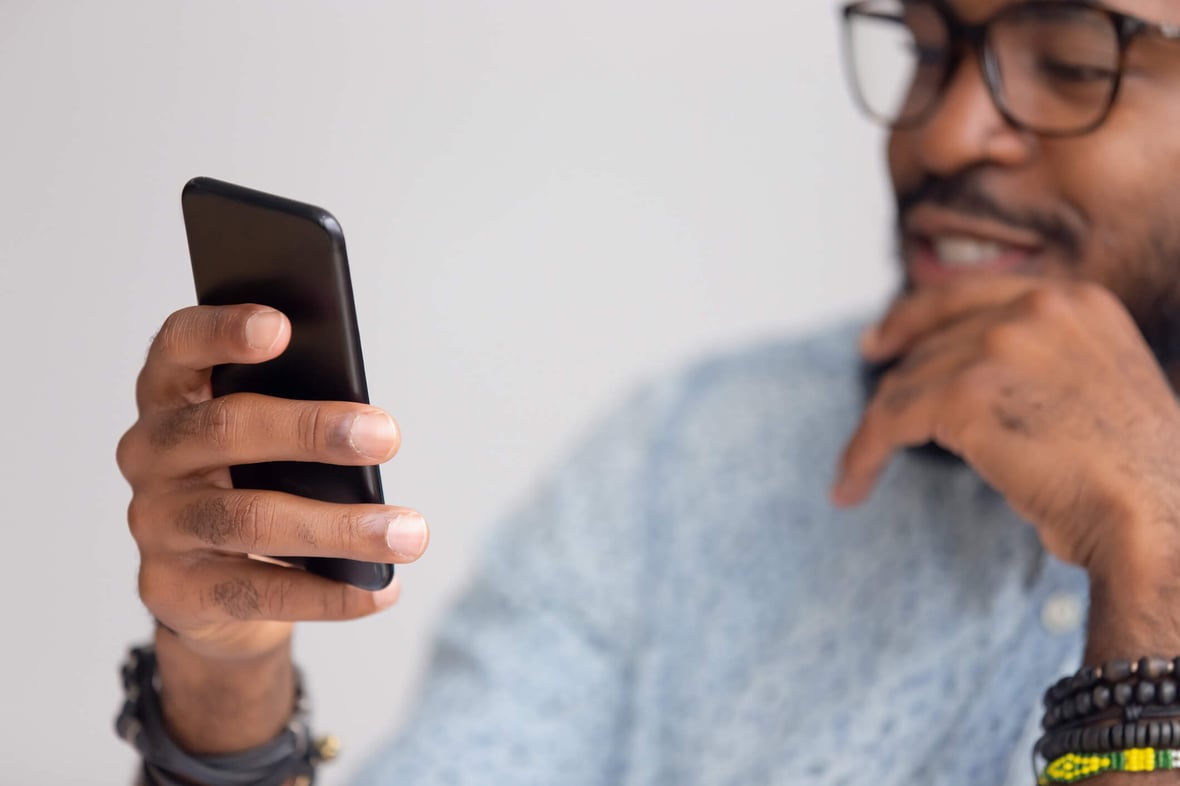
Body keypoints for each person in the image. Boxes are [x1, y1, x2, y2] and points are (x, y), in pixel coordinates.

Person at [115, 0, 1180, 783]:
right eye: (927, 48)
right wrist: (225, 685)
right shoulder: (688, 455)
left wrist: (1156, 561)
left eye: (1074, 59)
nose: (940, 134)